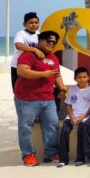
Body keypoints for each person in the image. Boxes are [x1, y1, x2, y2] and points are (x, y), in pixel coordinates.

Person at [14, 30, 66, 167]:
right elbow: (22, 71)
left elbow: (56, 75)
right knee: (25, 127)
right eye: (49, 41)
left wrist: (62, 88)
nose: (51, 44)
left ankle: (50, 154)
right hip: (27, 99)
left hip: (48, 99)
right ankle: (28, 155)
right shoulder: (29, 54)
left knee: (52, 125)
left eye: (54, 42)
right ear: (40, 41)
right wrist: (43, 74)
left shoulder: (53, 58)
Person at [57, 66, 90, 167]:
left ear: (88, 77)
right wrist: (71, 117)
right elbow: (68, 105)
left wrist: (83, 116)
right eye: (79, 77)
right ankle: (63, 159)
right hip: (72, 116)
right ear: (75, 79)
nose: (82, 79)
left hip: (86, 116)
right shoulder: (72, 89)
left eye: (84, 77)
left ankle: (80, 158)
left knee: (81, 130)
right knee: (64, 131)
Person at [11, 12, 41, 90]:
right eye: (31, 23)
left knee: (31, 89)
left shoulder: (39, 34)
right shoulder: (21, 34)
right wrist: (35, 50)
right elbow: (18, 45)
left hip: (32, 66)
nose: (34, 24)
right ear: (24, 24)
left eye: (36, 22)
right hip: (18, 66)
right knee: (18, 90)